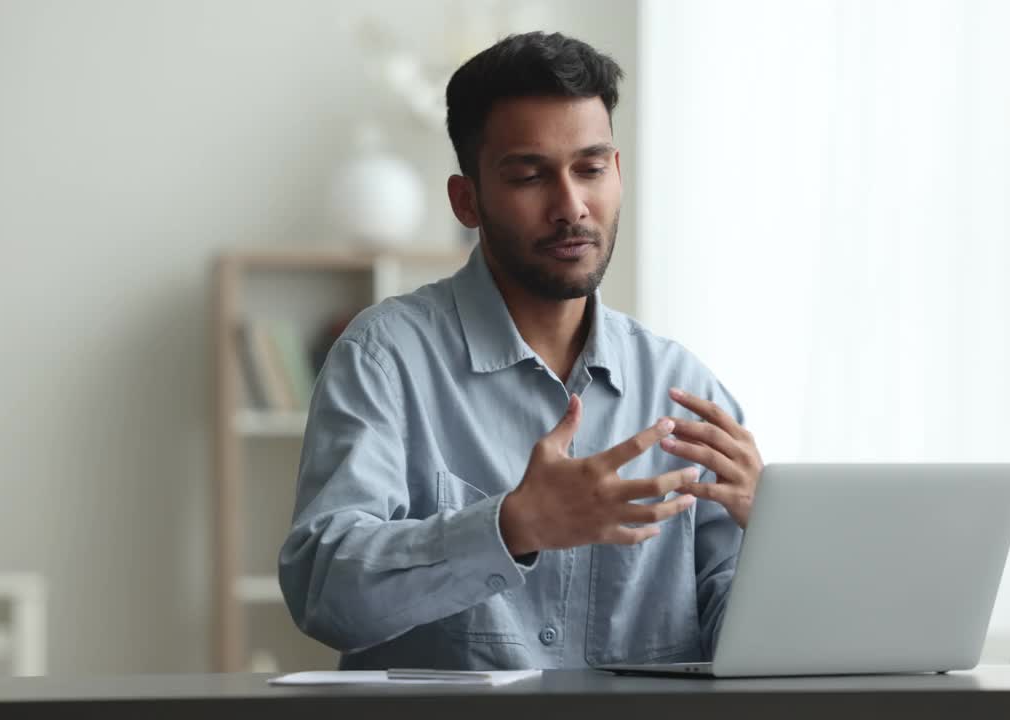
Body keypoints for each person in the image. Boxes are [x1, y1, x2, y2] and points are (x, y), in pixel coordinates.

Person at [278, 31, 764, 670]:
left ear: (617, 173)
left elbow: (750, 650)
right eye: (530, 176)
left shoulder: (682, 387)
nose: (571, 207)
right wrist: (511, 527)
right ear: (467, 200)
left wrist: (775, 537)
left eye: (590, 169)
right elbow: (324, 592)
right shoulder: (381, 359)